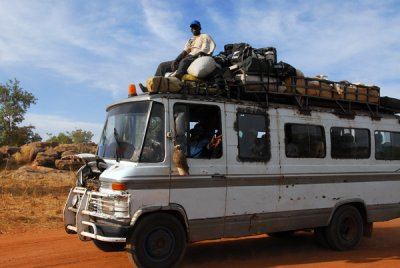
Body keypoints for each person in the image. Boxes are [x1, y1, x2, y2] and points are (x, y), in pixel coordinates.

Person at [139, 20, 215, 91]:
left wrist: (189, 58)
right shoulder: (191, 40)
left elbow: (204, 51)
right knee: (162, 66)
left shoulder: (205, 36)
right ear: (191, 29)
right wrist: (176, 60)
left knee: (184, 61)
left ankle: (175, 81)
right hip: (187, 58)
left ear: (200, 28)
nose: (194, 28)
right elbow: (184, 52)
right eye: (192, 27)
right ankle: (151, 86)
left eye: (196, 27)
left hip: (197, 57)